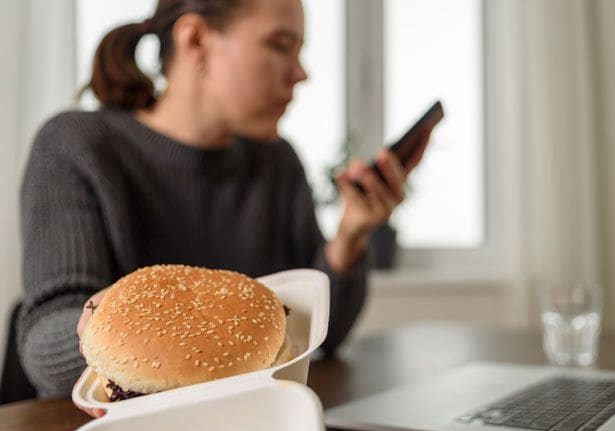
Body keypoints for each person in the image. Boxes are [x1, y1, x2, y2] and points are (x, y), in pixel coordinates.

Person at [18, 0, 432, 409]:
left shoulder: (278, 162)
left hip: (253, 430)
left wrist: (350, 235)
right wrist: (119, 334)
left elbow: (321, 333)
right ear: (196, 39)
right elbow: (43, 348)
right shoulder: (75, 146)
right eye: (279, 45)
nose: (302, 73)